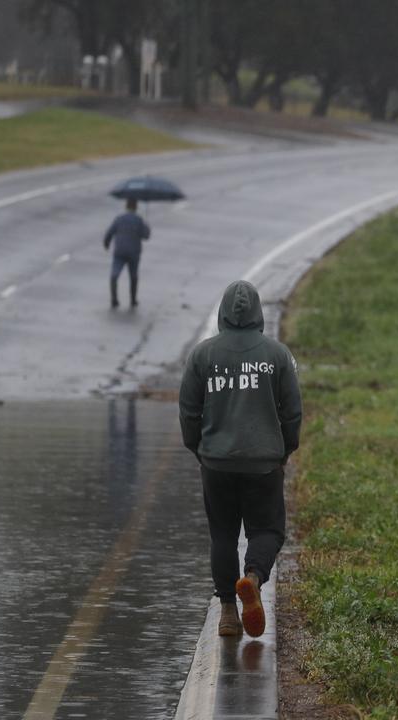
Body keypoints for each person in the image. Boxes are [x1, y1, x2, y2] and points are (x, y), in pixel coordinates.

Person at [179, 280, 303, 638]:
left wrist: (198, 448)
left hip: (216, 462)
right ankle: (252, 577)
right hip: (264, 463)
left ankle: (229, 615)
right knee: (267, 530)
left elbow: (189, 412)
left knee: (223, 534)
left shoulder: (202, 356)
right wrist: (285, 450)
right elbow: (292, 412)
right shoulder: (277, 355)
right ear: (257, 313)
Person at [103, 198, 150, 308]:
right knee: (133, 276)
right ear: (136, 207)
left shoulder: (119, 219)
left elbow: (110, 232)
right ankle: (133, 299)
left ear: (126, 206)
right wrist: (146, 226)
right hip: (134, 252)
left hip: (120, 250)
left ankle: (114, 298)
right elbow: (146, 236)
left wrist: (106, 243)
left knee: (115, 274)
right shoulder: (138, 220)